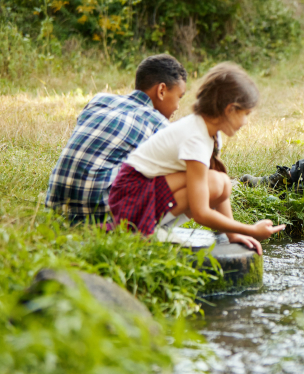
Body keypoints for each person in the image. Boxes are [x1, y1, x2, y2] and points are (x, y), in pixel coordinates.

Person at [108, 62, 285, 254]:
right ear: (230, 109)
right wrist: (250, 229)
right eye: (246, 114)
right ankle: (145, 231)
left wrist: (232, 234)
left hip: (142, 196)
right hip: (130, 201)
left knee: (222, 183)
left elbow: (217, 190)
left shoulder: (209, 132)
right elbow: (200, 213)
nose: (246, 122)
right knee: (214, 183)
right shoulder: (196, 138)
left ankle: (157, 227)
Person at [45, 54, 187, 223]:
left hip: (55, 209)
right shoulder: (158, 124)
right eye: (179, 97)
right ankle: (152, 231)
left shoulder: (100, 100)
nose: (178, 106)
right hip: (101, 215)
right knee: (193, 177)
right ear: (161, 90)